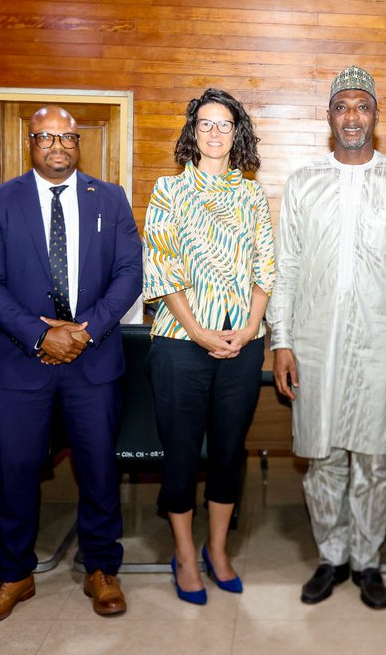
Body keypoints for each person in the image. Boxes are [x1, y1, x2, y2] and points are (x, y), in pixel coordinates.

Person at [0, 106, 141, 622]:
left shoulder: (108, 197)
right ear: (30, 142)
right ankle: (14, 575)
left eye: (66, 137)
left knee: (98, 468)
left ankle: (101, 568)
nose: (57, 146)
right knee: (17, 471)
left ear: (78, 142)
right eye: (46, 138)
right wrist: (40, 333)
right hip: (22, 362)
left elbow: (130, 272)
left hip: (94, 357)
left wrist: (84, 331)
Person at [268, 65, 386, 610]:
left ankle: (366, 561)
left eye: (362, 106)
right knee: (322, 458)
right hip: (313, 344)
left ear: (376, 115)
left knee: (373, 460)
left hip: (380, 348)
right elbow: (285, 267)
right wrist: (282, 340)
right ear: (330, 116)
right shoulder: (303, 182)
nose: (353, 116)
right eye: (343, 106)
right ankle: (332, 556)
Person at [142, 88, 275, 605]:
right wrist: (197, 331)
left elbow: (267, 268)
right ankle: (184, 553)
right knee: (179, 454)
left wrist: (248, 330)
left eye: (225, 124)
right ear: (192, 132)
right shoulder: (168, 191)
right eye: (205, 123)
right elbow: (162, 268)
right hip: (180, 343)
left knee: (226, 452)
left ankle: (218, 550)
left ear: (237, 133)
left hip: (242, 343)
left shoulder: (251, 195)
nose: (215, 132)